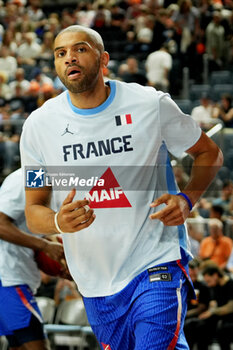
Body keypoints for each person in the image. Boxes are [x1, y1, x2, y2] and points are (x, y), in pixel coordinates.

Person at [20, 25, 223, 350]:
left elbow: (209, 152)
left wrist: (187, 199)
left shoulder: (149, 104)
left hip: (156, 260)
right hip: (96, 280)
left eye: (80, 49)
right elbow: (33, 212)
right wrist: (58, 221)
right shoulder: (38, 127)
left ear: (103, 60)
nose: (69, 57)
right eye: (60, 53)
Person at [0, 168, 69, 350]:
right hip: (8, 278)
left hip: (11, 277)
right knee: (37, 344)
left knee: (19, 346)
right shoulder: (24, 178)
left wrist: (49, 243)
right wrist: (45, 246)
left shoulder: (55, 179)